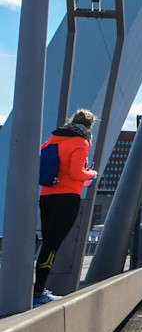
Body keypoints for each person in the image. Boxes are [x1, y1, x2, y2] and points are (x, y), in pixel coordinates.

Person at [34, 109, 98, 305]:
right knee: (53, 246)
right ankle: (38, 293)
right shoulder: (81, 142)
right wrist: (92, 173)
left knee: (47, 242)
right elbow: (77, 172)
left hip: (46, 196)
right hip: (67, 197)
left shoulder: (54, 138)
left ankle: (38, 289)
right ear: (88, 126)